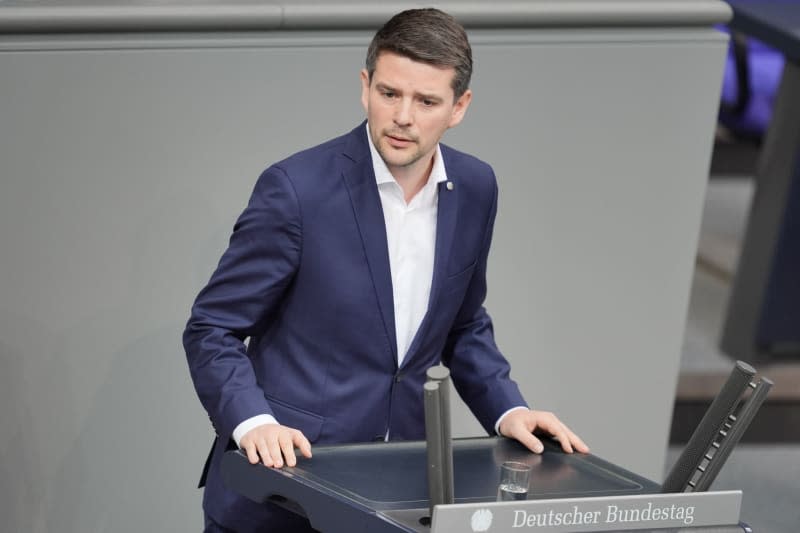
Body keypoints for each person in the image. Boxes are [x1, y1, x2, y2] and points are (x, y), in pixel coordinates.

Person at [184, 7, 589, 532]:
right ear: (365, 86)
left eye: (426, 101)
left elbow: (463, 326)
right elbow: (212, 328)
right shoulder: (296, 190)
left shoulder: (476, 188)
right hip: (280, 493)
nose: (403, 116)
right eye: (390, 93)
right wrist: (252, 422)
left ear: (459, 107)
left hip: (396, 498)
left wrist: (509, 411)